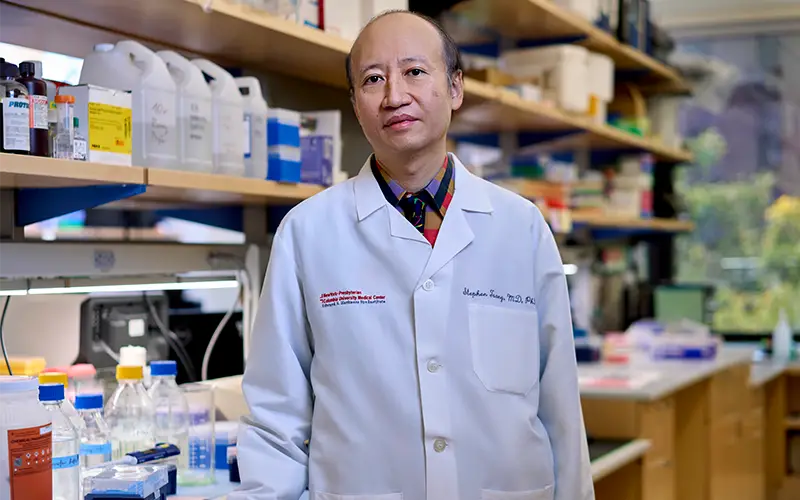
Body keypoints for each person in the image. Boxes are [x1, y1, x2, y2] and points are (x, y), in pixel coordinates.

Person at [232, 10, 594, 500]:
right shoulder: (307, 233)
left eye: (415, 72)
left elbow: (560, 409)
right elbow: (277, 418)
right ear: (356, 106)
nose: (394, 95)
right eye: (373, 79)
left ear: (456, 88)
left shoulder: (521, 227)